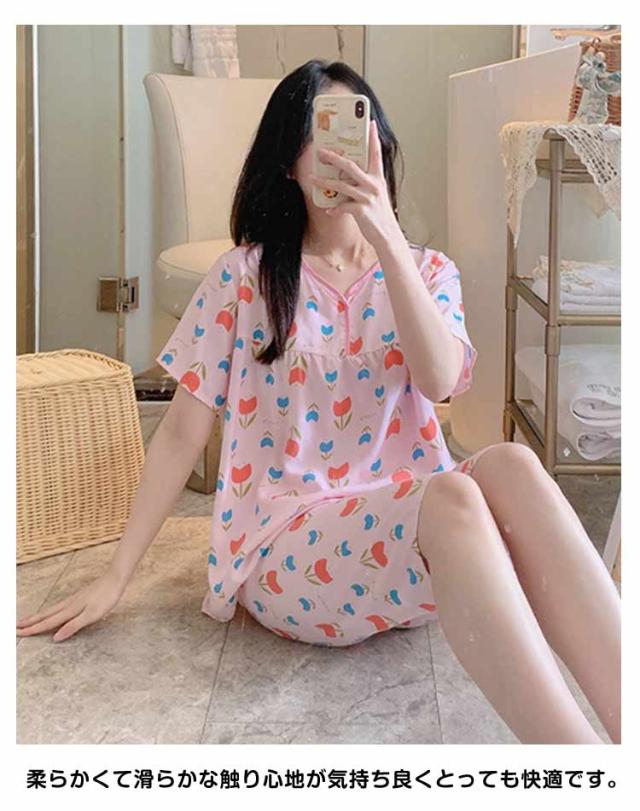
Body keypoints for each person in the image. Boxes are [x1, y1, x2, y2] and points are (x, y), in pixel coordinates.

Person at [17, 60, 620, 746]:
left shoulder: (426, 271)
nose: (339, 152)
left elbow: (440, 380)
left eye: (354, 129)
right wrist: (116, 575)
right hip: (286, 547)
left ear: (379, 147)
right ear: (289, 162)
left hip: (413, 538)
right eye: (318, 132)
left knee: (510, 464)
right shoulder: (243, 279)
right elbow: (181, 434)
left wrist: (386, 238)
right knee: (455, 496)